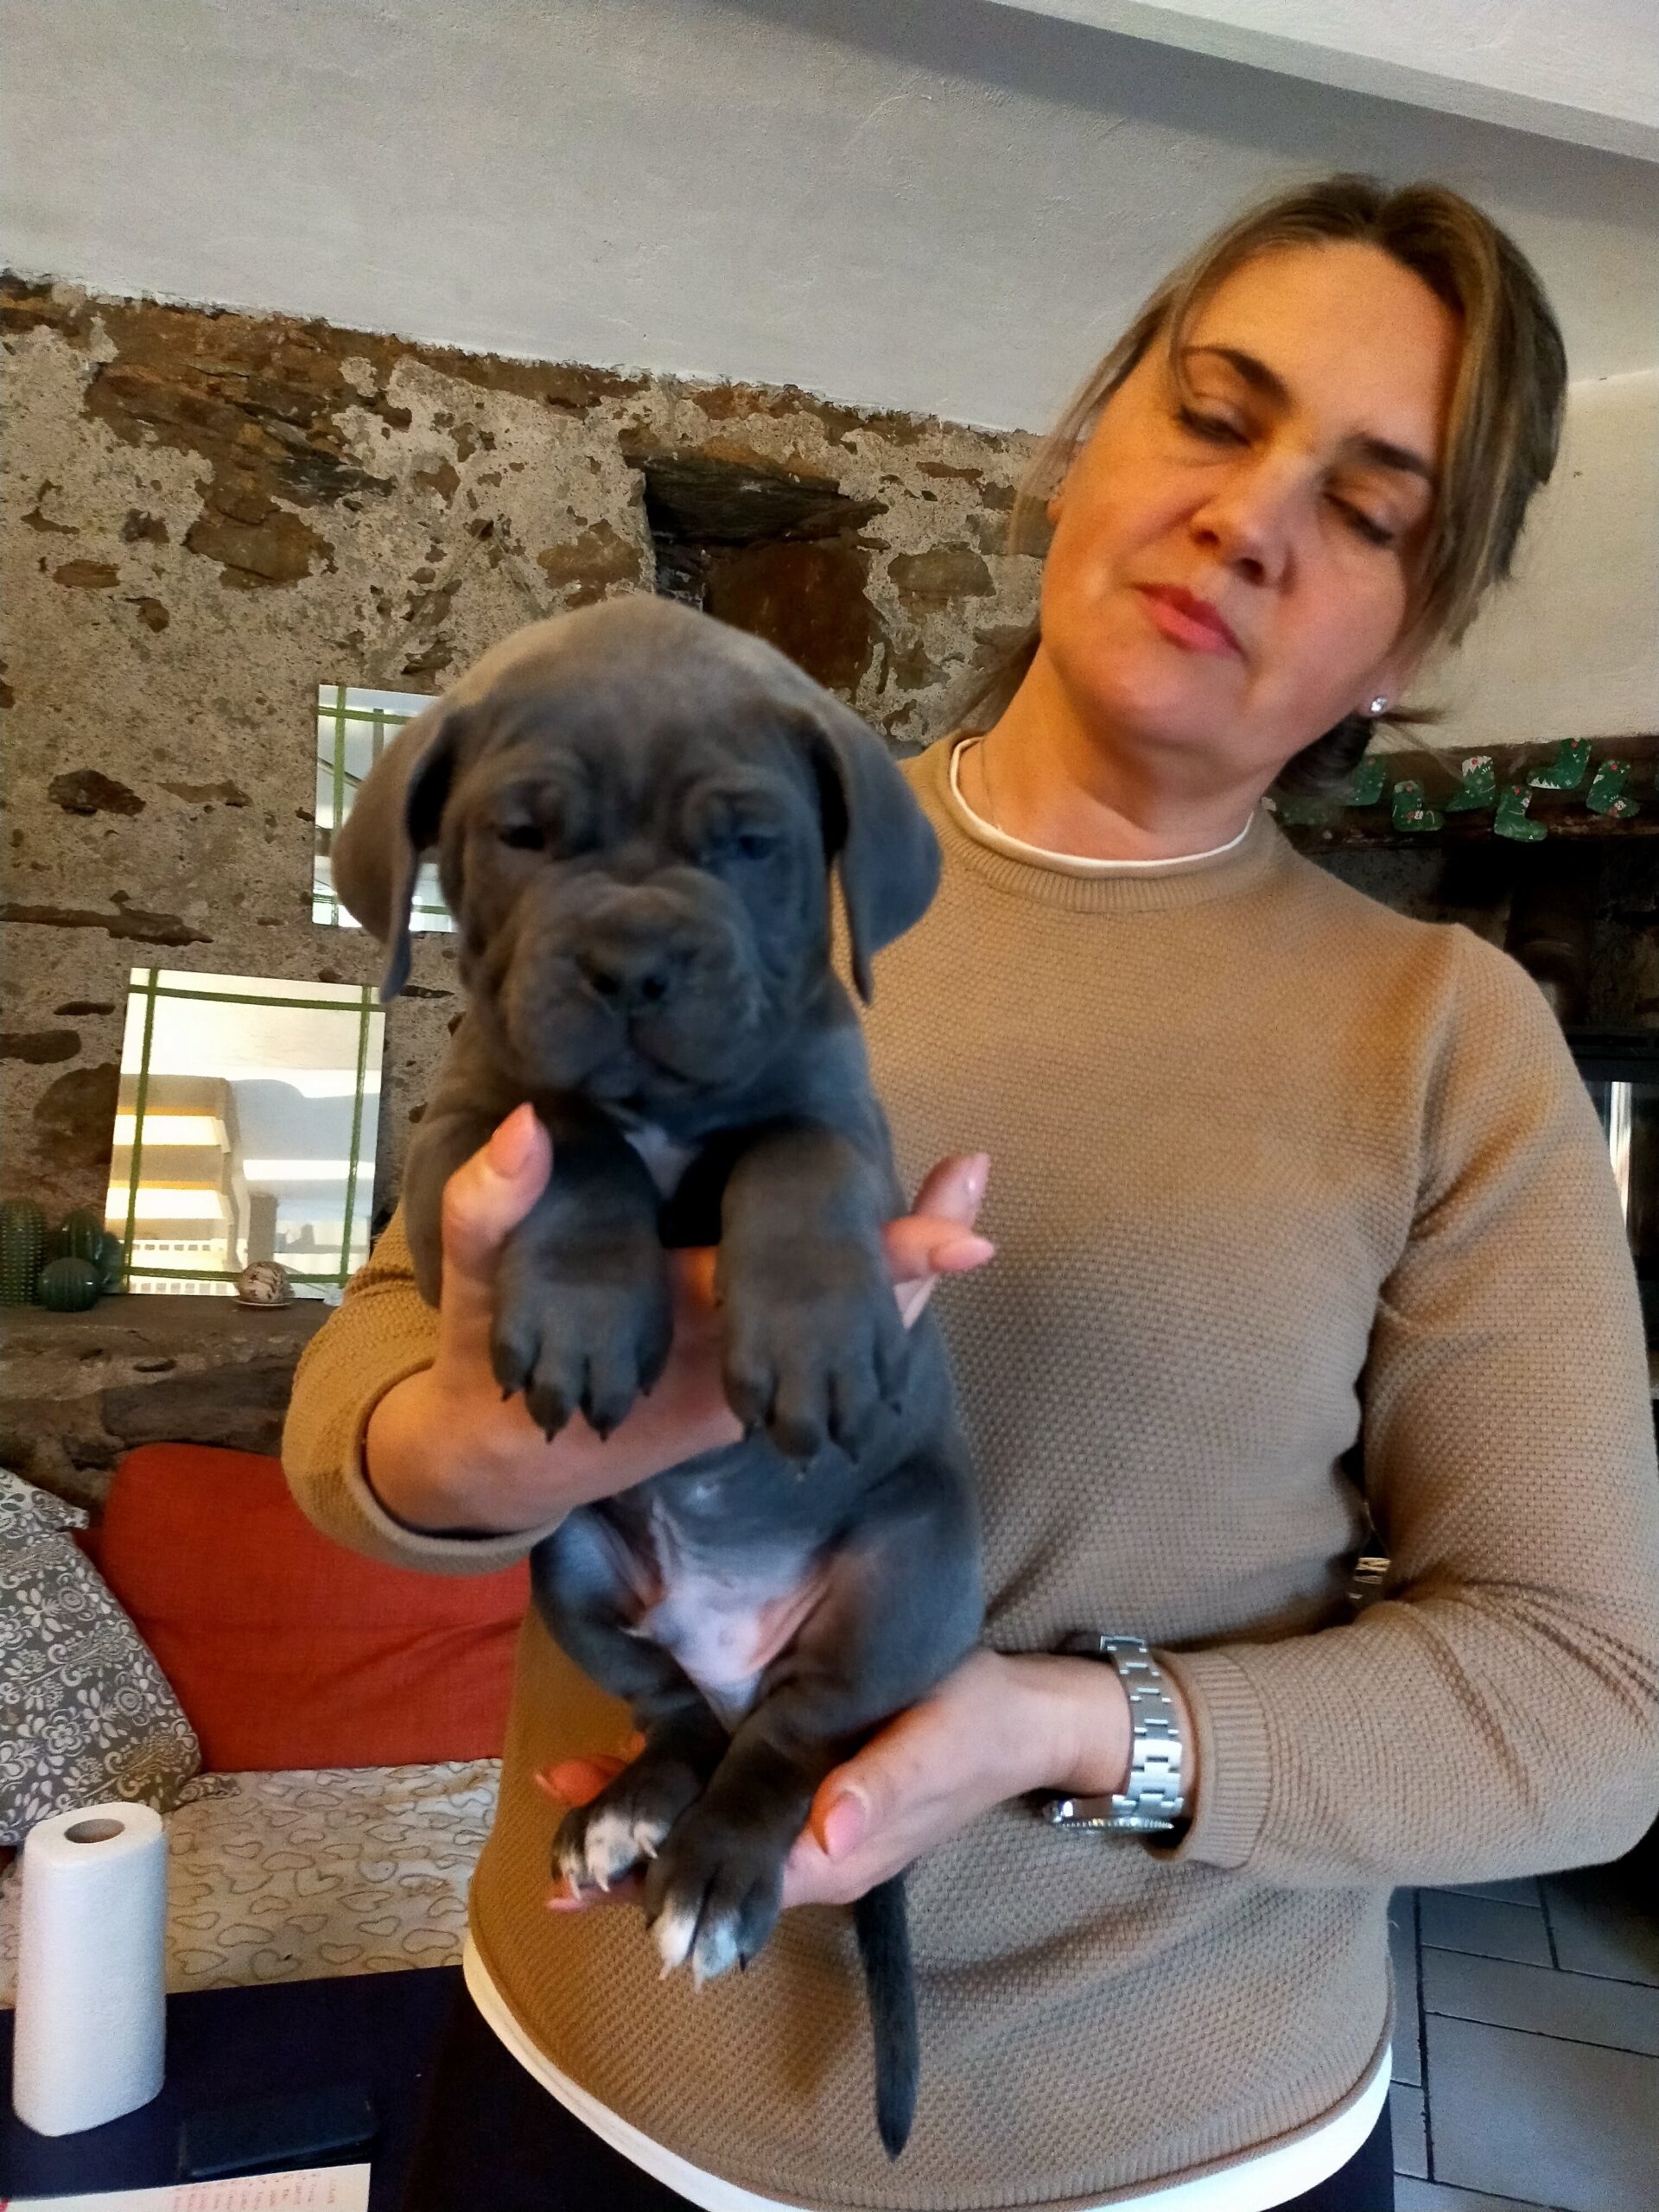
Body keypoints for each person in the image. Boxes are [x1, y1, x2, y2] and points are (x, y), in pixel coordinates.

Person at [283, 173, 1659, 2212]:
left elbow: (1589, 1706)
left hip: (1181, 2149)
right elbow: (358, 1394)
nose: (1252, 516)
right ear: (1085, 437)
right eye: (1212, 410)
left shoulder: (1445, 1037)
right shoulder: (733, 839)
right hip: (594, 2087)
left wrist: (1063, 1727)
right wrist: (470, 1446)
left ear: (1417, 638)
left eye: (1368, 509)